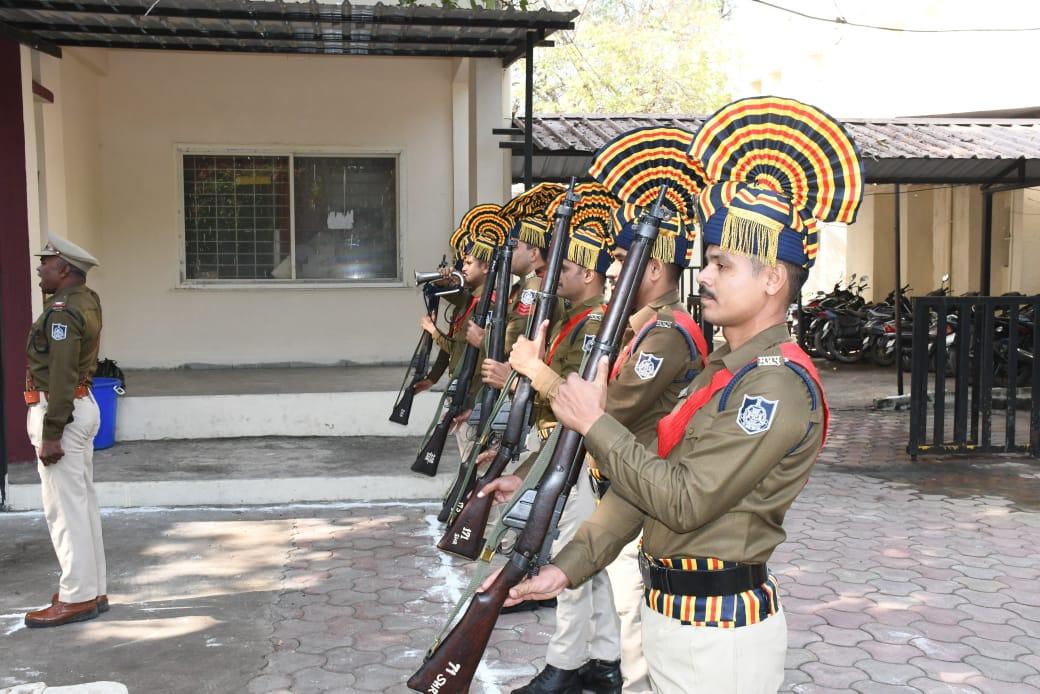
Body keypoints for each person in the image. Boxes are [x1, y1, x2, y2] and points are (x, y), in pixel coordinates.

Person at [489, 97, 865, 693]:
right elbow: (645, 488)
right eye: (708, 261)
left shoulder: (774, 384)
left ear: (773, 279)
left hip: (718, 640)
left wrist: (595, 423)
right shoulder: (722, 370)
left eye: (724, 264)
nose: (706, 276)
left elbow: (685, 500)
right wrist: (567, 566)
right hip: (673, 622)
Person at [487, 223, 623, 694]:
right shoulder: (573, 318)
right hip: (560, 450)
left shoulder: (593, 325)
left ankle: (563, 666)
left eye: (564, 267)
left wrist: (527, 370)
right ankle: (605, 659)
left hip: (580, 457)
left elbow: (572, 396)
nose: (554, 273)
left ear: (589, 274)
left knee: (571, 562)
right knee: (591, 565)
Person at [23, 234, 109, 628]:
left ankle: (77, 597)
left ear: (64, 269)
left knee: (65, 510)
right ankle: (92, 588)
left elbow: (60, 373)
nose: (40, 267)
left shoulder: (60, 312)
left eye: (46, 262)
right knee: (82, 504)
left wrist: (52, 431)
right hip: (80, 405)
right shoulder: (85, 300)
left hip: (62, 411)